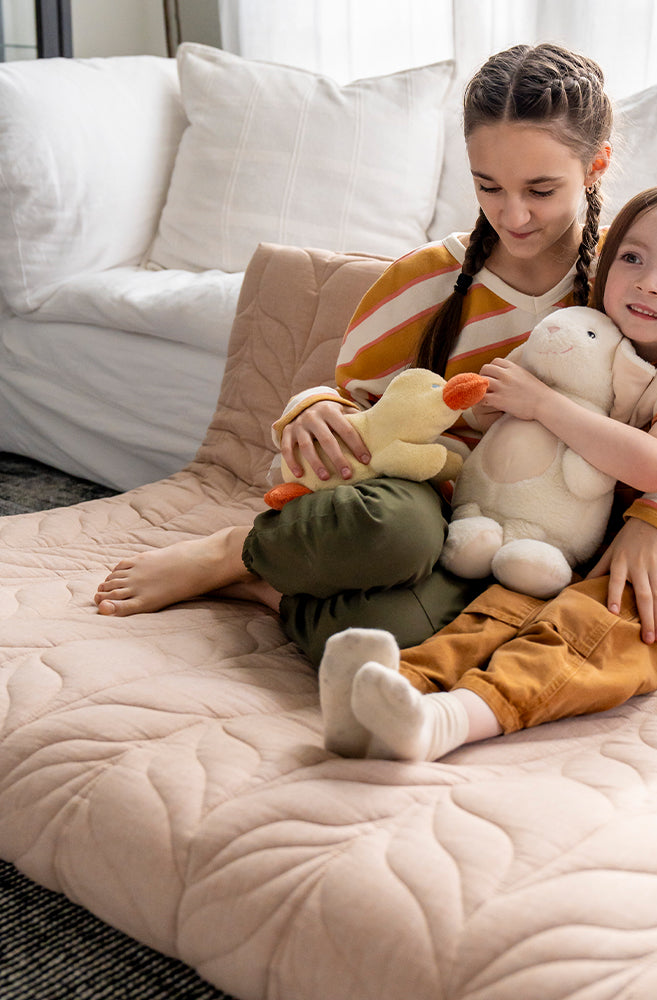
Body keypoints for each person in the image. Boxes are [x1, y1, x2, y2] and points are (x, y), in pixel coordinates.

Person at [93, 42, 618, 664]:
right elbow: (355, 407)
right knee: (398, 534)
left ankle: (267, 589)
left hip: (531, 536)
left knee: (388, 642)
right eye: (488, 185)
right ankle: (231, 552)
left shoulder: (633, 279)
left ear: (596, 166)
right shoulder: (424, 281)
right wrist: (311, 408)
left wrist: (655, 531)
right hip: (419, 502)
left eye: (540, 189)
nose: (513, 213)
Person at [316, 184, 657, 763]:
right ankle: (390, 692)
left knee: (580, 634)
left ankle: (447, 721)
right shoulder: (589, 336)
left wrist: (542, 404)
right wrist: (493, 405)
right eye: (632, 258)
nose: (648, 282)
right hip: (573, 539)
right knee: (494, 612)